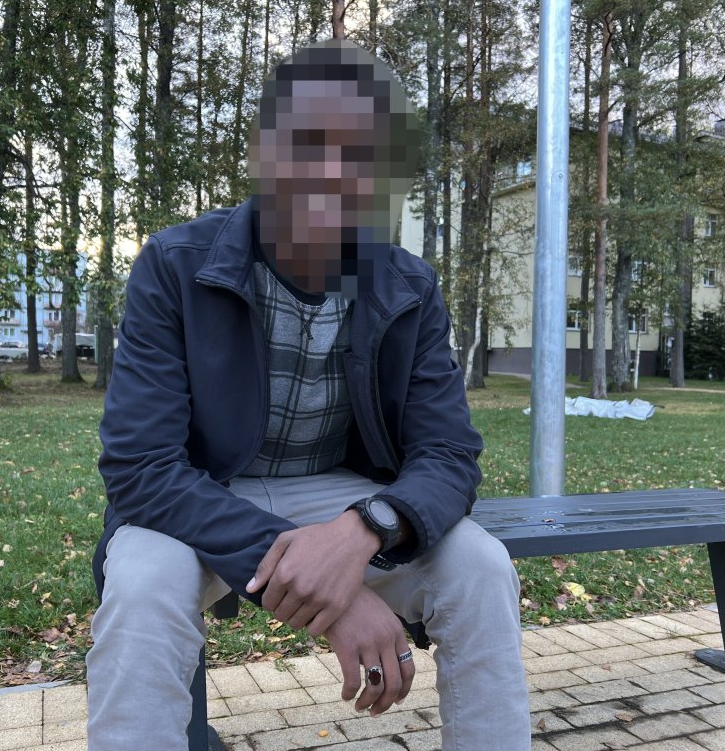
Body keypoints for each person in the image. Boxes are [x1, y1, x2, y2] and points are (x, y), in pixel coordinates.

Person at [86, 39, 530, 751]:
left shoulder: (408, 287)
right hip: (200, 493)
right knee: (140, 586)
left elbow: (449, 455)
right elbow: (140, 467)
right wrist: (334, 595)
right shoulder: (175, 266)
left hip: (339, 495)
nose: (331, 172)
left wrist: (363, 532)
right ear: (263, 152)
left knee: (480, 567)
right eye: (307, 143)